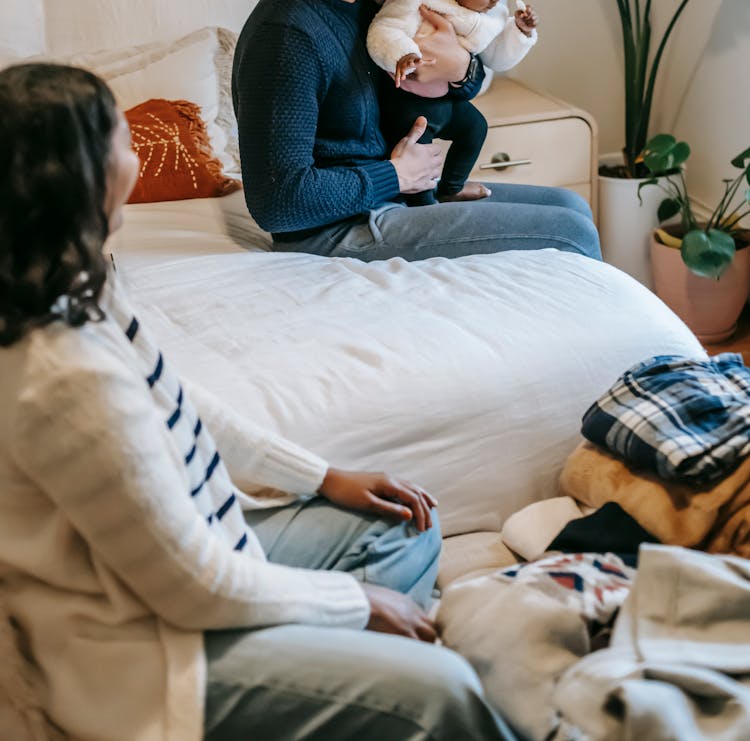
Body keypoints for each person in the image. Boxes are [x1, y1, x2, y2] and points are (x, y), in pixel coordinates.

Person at [0, 61, 520, 741]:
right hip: (143, 647)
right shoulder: (58, 373)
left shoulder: (78, 282)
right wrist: (352, 603)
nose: (134, 152)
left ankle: (355, 692)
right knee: (441, 690)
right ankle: (378, 691)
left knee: (407, 522)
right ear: (79, 177)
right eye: (119, 141)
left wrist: (324, 476)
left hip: (194, 551)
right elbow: (191, 586)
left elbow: (174, 399)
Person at [232, 0, 601, 263]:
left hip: (398, 196)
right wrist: (393, 176)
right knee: (570, 232)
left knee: (572, 207)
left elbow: (450, 80)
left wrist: (462, 69)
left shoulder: (375, 0)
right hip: (340, 227)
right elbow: (277, 202)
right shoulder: (286, 37)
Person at [367, 0, 539, 204]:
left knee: (475, 128)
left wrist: (520, 32)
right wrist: (402, 53)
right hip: (411, 108)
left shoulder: (484, 13)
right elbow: (384, 30)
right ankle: (423, 207)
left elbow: (495, 56)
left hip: (445, 102)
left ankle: (451, 187)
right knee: (418, 164)